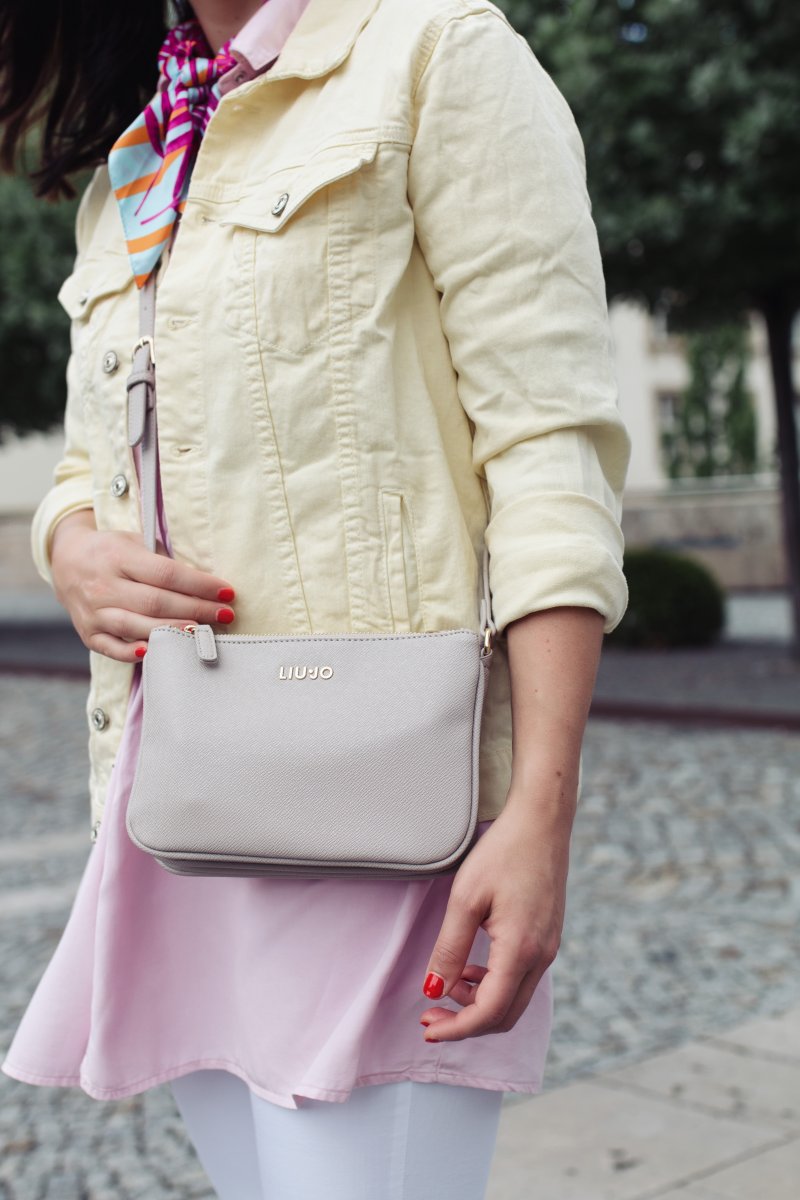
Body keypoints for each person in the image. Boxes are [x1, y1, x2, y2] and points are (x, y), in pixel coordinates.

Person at [0, 0, 631, 1196]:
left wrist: (538, 813)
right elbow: (98, 460)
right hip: (182, 805)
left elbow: (549, 451)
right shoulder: (148, 146)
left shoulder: (438, 54)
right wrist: (70, 541)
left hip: (386, 811)